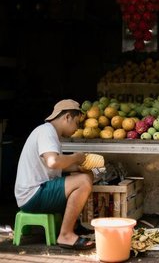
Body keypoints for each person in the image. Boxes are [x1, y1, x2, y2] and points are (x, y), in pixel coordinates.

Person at [14, 99, 95, 250]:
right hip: (33, 195)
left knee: (84, 177)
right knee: (83, 181)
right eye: (77, 123)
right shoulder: (46, 131)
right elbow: (53, 162)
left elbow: (56, 167)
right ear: (67, 117)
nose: (77, 129)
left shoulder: (48, 133)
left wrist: (80, 166)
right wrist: (76, 157)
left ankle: (73, 225)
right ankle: (66, 235)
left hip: (34, 193)